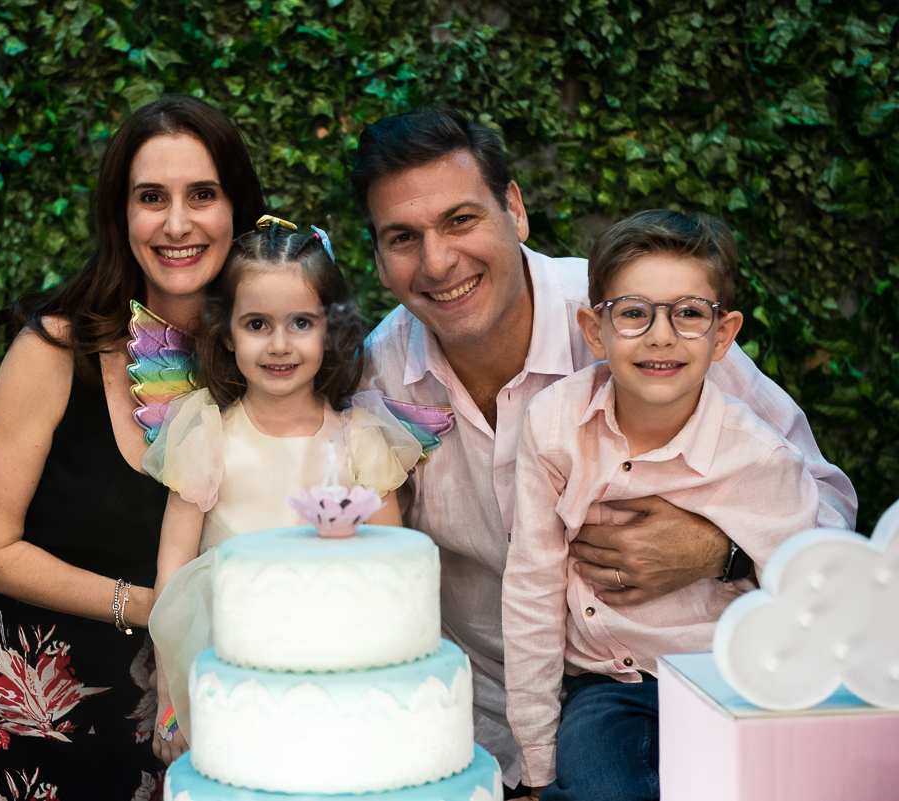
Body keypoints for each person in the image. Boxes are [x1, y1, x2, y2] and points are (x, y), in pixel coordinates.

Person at [351, 108, 858, 796]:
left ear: (515, 209)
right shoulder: (377, 376)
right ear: (379, 258)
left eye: (461, 220)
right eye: (404, 238)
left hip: (702, 695)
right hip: (481, 729)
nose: (438, 261)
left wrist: (723, 551)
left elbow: (829, 521)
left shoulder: (648, 325)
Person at [0, 95, 264, 800]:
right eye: (151, 197)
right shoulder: (55, 348)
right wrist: (154, 607)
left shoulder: (265, 358)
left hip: (140, 725)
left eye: (203, 194)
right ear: (120, 216)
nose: (177, 222)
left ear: (237, 210)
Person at [503, 210, 845, 800]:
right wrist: (535, 767)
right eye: (634, 312)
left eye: (688, 313)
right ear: (594, 329)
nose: (661, 335)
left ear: (723, 335)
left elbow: (808, 593)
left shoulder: (759, 457)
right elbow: (532, 584)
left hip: (728, 678)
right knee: (600, 786)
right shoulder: (557, 426)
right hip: (608, 684)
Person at [142, 216, 423, 762]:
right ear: (225, 331)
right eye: (256, 324)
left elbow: (395, 567)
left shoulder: (362, 439)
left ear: (331, 329)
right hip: (228, 672)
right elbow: (173, 579)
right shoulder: (207, 437)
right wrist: (168, 694)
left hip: (339, 671)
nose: (279, 345)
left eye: (300, 323)